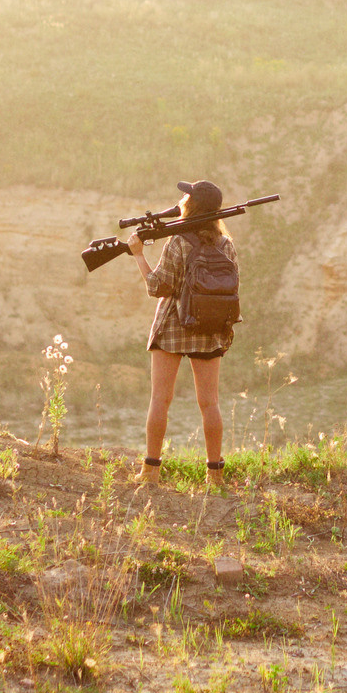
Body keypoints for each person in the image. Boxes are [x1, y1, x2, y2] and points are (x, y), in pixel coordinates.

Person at [130, 178, 236, 479]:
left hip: (173, 326)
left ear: (191, 205)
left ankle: (150, 472)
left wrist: (139, 254)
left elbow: (157, 287)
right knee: (210, 403)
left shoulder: (177, 241)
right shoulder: (226, 244)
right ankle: (215, 474)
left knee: (160, 399)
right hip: (210, 326)